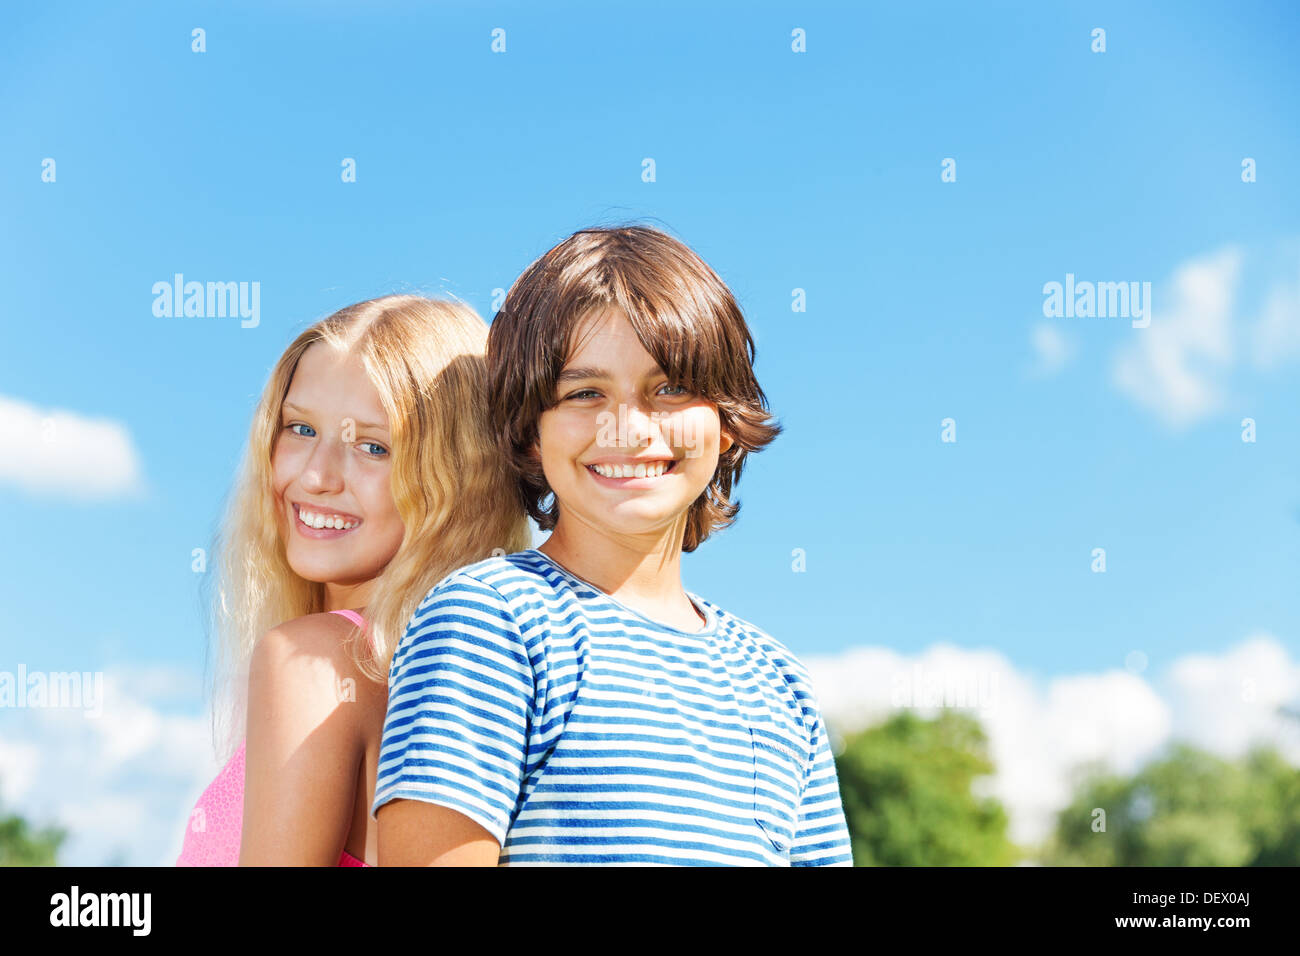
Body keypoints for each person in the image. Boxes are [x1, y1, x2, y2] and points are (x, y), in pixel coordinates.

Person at [372, 225, 854, 865]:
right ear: (529, 432)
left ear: (726, 423)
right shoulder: (491, 620)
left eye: (671, 388)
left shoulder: (779, 681)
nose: (627, 428)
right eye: (584, 393)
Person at [176, 294, 530, 866]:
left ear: (459, 480)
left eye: (373, 446)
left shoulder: (314, 659)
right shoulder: (463, 681)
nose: (316, 476)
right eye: (299, 428)